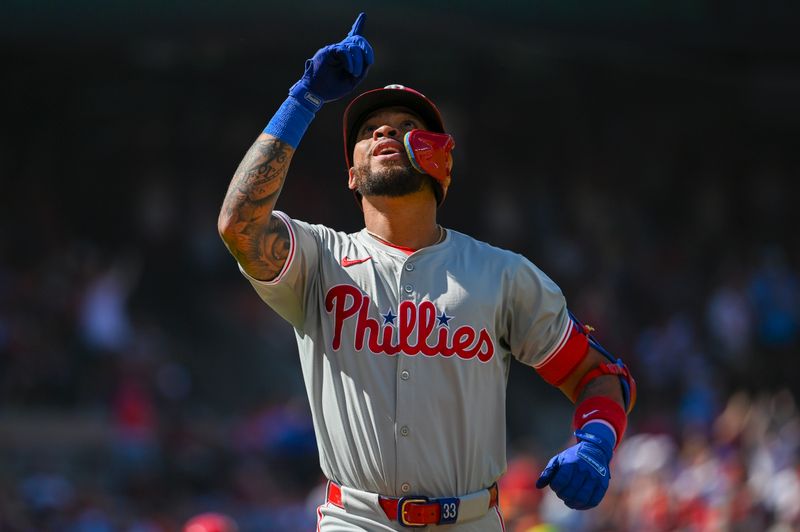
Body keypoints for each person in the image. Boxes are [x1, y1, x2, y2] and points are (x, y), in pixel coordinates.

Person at [218, 12, 636, 531]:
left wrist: (595, 444)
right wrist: (302, 99)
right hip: (356, 520)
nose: (386, 131)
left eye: (408, 126)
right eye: (369, 131)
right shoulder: (318, 258)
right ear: (351, 174)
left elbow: (598, 374)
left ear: (440, 160)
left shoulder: (501, 274)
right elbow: (239, 223)